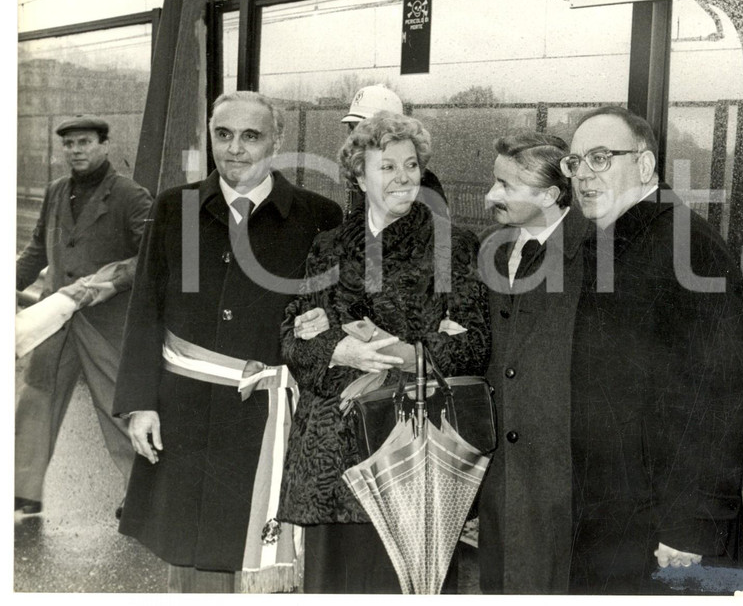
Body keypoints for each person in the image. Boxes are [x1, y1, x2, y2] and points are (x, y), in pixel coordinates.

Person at [112, 91, 342, 593]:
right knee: (188, 560)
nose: (234, 148)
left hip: (267, 420)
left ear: (276, 142)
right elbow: (146, 309)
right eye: (223, 134)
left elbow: (331, 320)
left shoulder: (317, 217)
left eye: (251, 136)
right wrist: (138, 405)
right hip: (184, 412)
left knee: (261, 561)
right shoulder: (179, 207)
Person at [276, 111, 490, 593]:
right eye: (387, 166)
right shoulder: (330, 245)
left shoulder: (451, 245)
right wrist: (341, 347)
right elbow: (292, 334)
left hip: (414, 449)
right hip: (335, 452)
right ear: (358, 174)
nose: (402, 177)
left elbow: (473, 344)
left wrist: (388, 347)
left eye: (410, 165)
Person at [563, 106, 743, 595]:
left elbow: (716, 396)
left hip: (664, 527)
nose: (583, 174)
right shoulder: (615, 238)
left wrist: (690, 526)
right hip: (616, 510)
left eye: (601, 158)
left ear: (644, 167)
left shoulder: (689, 246)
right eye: (576, 161)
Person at [14, 115, 153, 517]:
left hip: (105, 320)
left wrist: (106, 282)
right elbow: (37, 249)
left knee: (118, 407)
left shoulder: (130, 195)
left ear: (105, 145)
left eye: (85, 142)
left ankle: (141, 495)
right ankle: (23, 489)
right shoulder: (57, 191)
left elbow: (149, 255)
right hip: (54, 318)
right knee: (36, 398)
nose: (75, 151)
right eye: (69, 144)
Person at [476, 131, 588, 594]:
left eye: (506, 186)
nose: (490, 196)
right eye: (494, 181)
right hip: (501, 473)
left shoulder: (596, 254)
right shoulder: (491, 249)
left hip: (561, 474)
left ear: (549, 195)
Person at [341, 84, 446, 212]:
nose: (356, 137)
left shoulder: (421, 185)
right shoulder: (359, 175)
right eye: (353, 128)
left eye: (365, 128)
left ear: (395, 131)